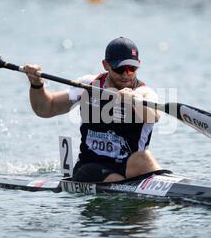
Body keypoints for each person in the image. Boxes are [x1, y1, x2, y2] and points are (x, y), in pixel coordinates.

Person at [24, 37, 161, 182]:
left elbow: (154, 116)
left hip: (128, 167)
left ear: (139, 65)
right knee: (115, 179)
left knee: (143, 157)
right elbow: (46, 108)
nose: (126, 74)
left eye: (131, 69)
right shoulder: (88, 85)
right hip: (91, 165)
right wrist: (36, 84)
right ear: (106, 65)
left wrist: (134, 101)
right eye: (120, 69)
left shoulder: (145, 93)